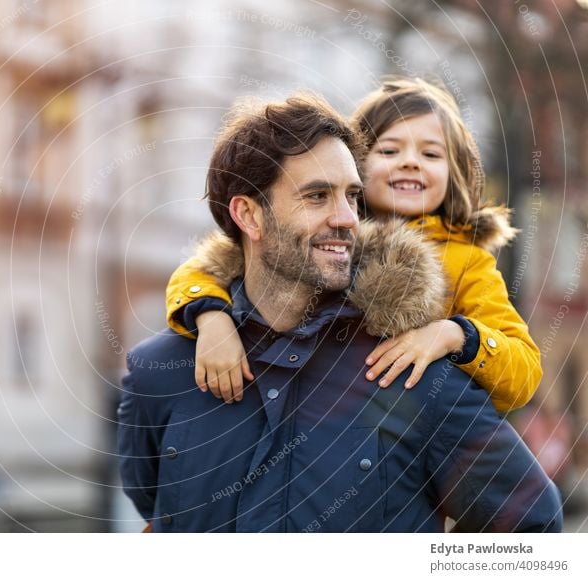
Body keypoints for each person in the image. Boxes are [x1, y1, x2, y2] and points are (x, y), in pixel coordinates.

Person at [117, 92, 561, 532]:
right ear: (247, 217)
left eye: (351, 196)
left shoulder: (416, 371)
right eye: (317, 196)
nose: (346, 217)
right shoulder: (159, 373)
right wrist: (210, 316)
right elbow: (162, 506)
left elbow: (530, 516)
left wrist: (455, 334)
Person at [166, 79, 541, 413]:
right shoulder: (317, 236)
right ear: (354, 162)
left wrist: (455, 334)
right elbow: (203, 269)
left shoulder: (466, 261)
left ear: (453, 170)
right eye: (390, 150)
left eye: (430, 154)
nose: (410, 162)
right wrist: (212, 318)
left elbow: (524, 372)